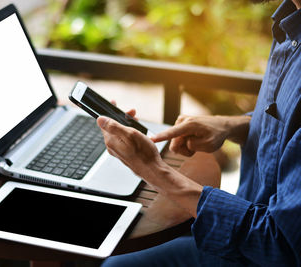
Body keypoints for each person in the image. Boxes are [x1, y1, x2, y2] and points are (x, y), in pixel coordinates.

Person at [98, 0, 301, 265]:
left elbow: (280, 245)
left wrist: (153, 170)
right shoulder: (291, 22)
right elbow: (290, 130)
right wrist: (232, 126)